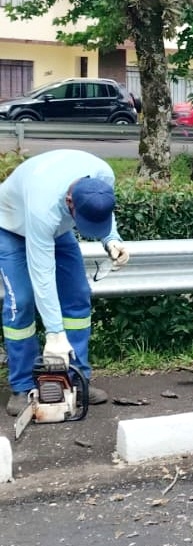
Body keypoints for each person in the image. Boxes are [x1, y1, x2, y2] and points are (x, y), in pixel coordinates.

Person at [0, 149, 130, 416]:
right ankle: (22, 386)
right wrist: (55, 334)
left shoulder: (103, 175)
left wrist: (111, 238)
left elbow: (103, 209)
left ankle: (75, 380)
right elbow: (43, 275)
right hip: (11, 227)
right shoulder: (43, 204)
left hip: (57, 228)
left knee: (78, 295)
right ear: (70, 201)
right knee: (21, 301)